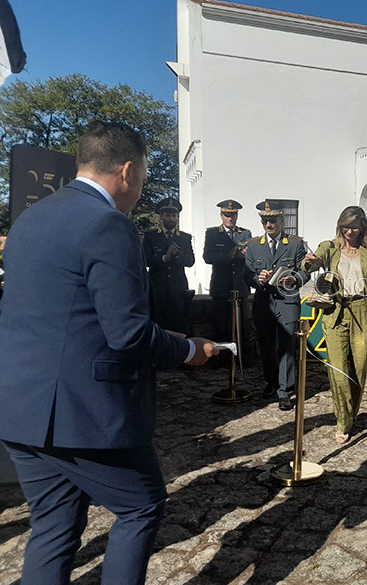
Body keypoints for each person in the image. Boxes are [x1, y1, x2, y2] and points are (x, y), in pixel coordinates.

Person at [0, 122, 217, 585]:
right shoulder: (108, 224)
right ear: (127, 171)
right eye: (141, 178)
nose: (139, 190)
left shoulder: (28, 221)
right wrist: (187, 349)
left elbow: (65, 315)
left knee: (54, 527)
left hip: (20, 409)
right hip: (82, 414)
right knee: (141, 505)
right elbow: (128, 335)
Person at [303, 206, 367, 442]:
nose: (349, 232)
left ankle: (351, 412)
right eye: (345, 227)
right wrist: (309, 262)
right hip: (335, 311)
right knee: (338, 369)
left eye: (354, 227)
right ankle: (344, 421)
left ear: (363, 228)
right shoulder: (329, 247)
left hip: (362, 311)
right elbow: (310, 265)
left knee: (360, 367)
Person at [245, 200, 310, 410]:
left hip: (287, 302)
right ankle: (271, 383)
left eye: (272, 220)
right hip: (264, 302)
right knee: (266, 345)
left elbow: (305, 271)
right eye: (265, 221)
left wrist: (294, 279)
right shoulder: (254, 246)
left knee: (287, 347)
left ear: (282, 221)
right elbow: (248, 275)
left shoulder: (295, 244)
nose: (268, 224)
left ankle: (285, 390)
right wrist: (258, 279)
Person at [203, 199, 252, 354]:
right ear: (221, 215)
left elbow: (251, 258)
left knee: (242, 325)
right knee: (220, 324)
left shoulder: (245, 233)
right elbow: (208, 257)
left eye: (233, 215)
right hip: (221, 286)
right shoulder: (212, 233)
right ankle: (220, 357)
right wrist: (228, 256)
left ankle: (242, 357)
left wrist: (245, 256)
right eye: (227, 215)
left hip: (240, 285)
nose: (230, 218)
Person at [143, 197, 195, 335]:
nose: (171, 219)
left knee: (179, 327)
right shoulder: (151, 236)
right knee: (159, 327)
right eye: (167, 215)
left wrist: (177, 256)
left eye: (173, 215)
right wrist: (164, 258)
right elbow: (145, 260)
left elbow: (190, 261)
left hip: (178, 290)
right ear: (161, 217)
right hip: (157, 290)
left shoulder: (184, 238)